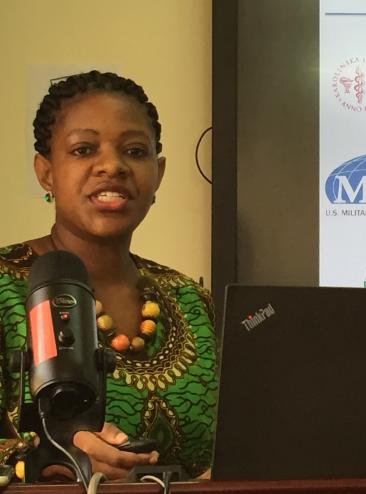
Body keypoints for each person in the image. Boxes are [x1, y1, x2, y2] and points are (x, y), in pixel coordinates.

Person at [0, 71, 217, 480]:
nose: (113, 166)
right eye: (83, 150)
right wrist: (51, 457)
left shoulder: (191, 300)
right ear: (45, 172)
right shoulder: (4, 287)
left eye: (135, 151)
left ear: (159, 172)